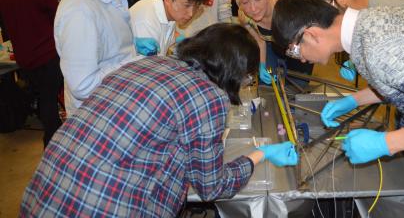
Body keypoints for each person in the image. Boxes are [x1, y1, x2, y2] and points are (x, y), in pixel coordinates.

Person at [20, 23, 298, 218]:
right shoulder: (208, 97)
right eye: (247, 76)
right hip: (103, 207)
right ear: (233, 69)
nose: (245, 82)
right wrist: (260, 154)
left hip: (43, 195)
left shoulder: (143, 64)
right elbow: (212, 186)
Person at [271, 0, 404, 218]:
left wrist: (387, 142)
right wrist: (354, 100)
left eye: (294, 50)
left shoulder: (381, 47)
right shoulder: (370, 23)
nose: (300, 59)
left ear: (310, 34)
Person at [0, 0, 63, 147]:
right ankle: (52, 146)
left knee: (42, 100)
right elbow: (59, 19)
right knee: (49, 104)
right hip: (47, 56)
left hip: (24, 58)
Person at [230, 0, 313, 85]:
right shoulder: (244, 15)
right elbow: (260, 41)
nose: (253, 9)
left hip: (301, 45)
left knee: (296, 88)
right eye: (245, 2)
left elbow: (321, 29)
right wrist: (262, 64)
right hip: (270, 46)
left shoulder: (289, 6)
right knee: (268, 84)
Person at [130, 0, 208, 56]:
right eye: (187, 5)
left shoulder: (168, 13)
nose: (191, 14)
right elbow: (148, 66)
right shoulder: (147, 19)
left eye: (196, 6)